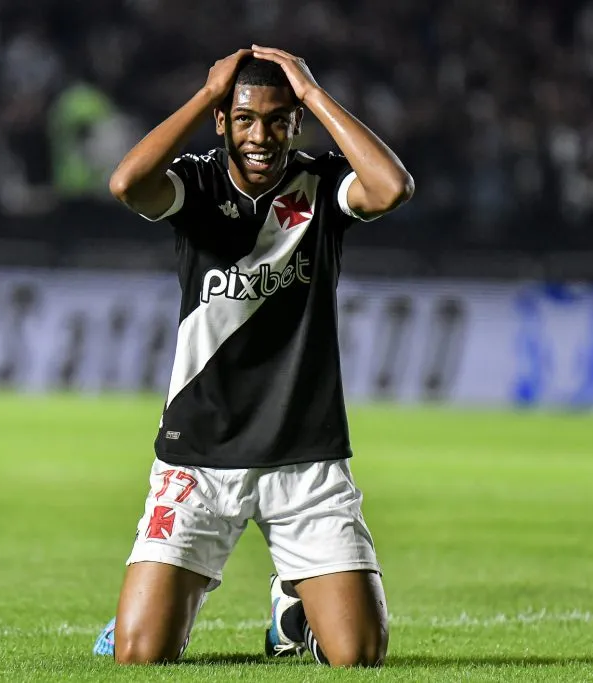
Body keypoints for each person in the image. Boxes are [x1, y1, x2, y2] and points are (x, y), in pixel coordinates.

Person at [92, 45, 414, 667]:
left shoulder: (320, 187)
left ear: (295, 122)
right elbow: (126, 183)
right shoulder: (198, 183)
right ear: (224, 123)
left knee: (358, 656)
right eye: (243, 119)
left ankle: (292, 610)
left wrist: (314, 92)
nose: (260, 135)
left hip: (305, 459)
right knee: (139, 653)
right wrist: (207, 94)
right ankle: (162, 606)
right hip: (200, 458)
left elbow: (392, 186)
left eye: (276, 118)